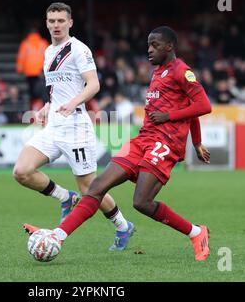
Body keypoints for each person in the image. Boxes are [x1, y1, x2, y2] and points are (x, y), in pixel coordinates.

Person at [26, 26, 213, 261]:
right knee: (96, 188)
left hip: (165, 143)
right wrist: (197, 142)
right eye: (148, 44)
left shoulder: (181, 71)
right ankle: (57, 236)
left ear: (169, 47)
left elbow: (203, 105)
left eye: (155, 45)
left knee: (141, 202)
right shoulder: (158, 71)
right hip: (143, 139)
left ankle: (196, 233)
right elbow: (189, 107)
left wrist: (174, 122)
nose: (149, 50)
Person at [16, 2, 134, 251]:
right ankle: (64, 197)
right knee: (22, 171)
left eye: (61, 20)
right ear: (46, 23)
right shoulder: (48, 51)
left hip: (77, 126)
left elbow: (93, 85)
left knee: (90, 188)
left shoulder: (79, 49)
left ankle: (123, 226)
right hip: (55, 125)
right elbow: (56, 89)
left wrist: (72, 103)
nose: (56, 25)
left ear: (70, 23)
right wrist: (48, 106)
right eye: (52, 21)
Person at [16, 27, 49, 108]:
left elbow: (21, 57)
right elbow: (49, 57)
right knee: (43, 92)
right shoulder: (43, 43)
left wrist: (20, 70)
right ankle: (42, 108)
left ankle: (33, 109)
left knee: (32, 93)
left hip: (29, 72)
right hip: (41, 72)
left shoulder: (25, 43)